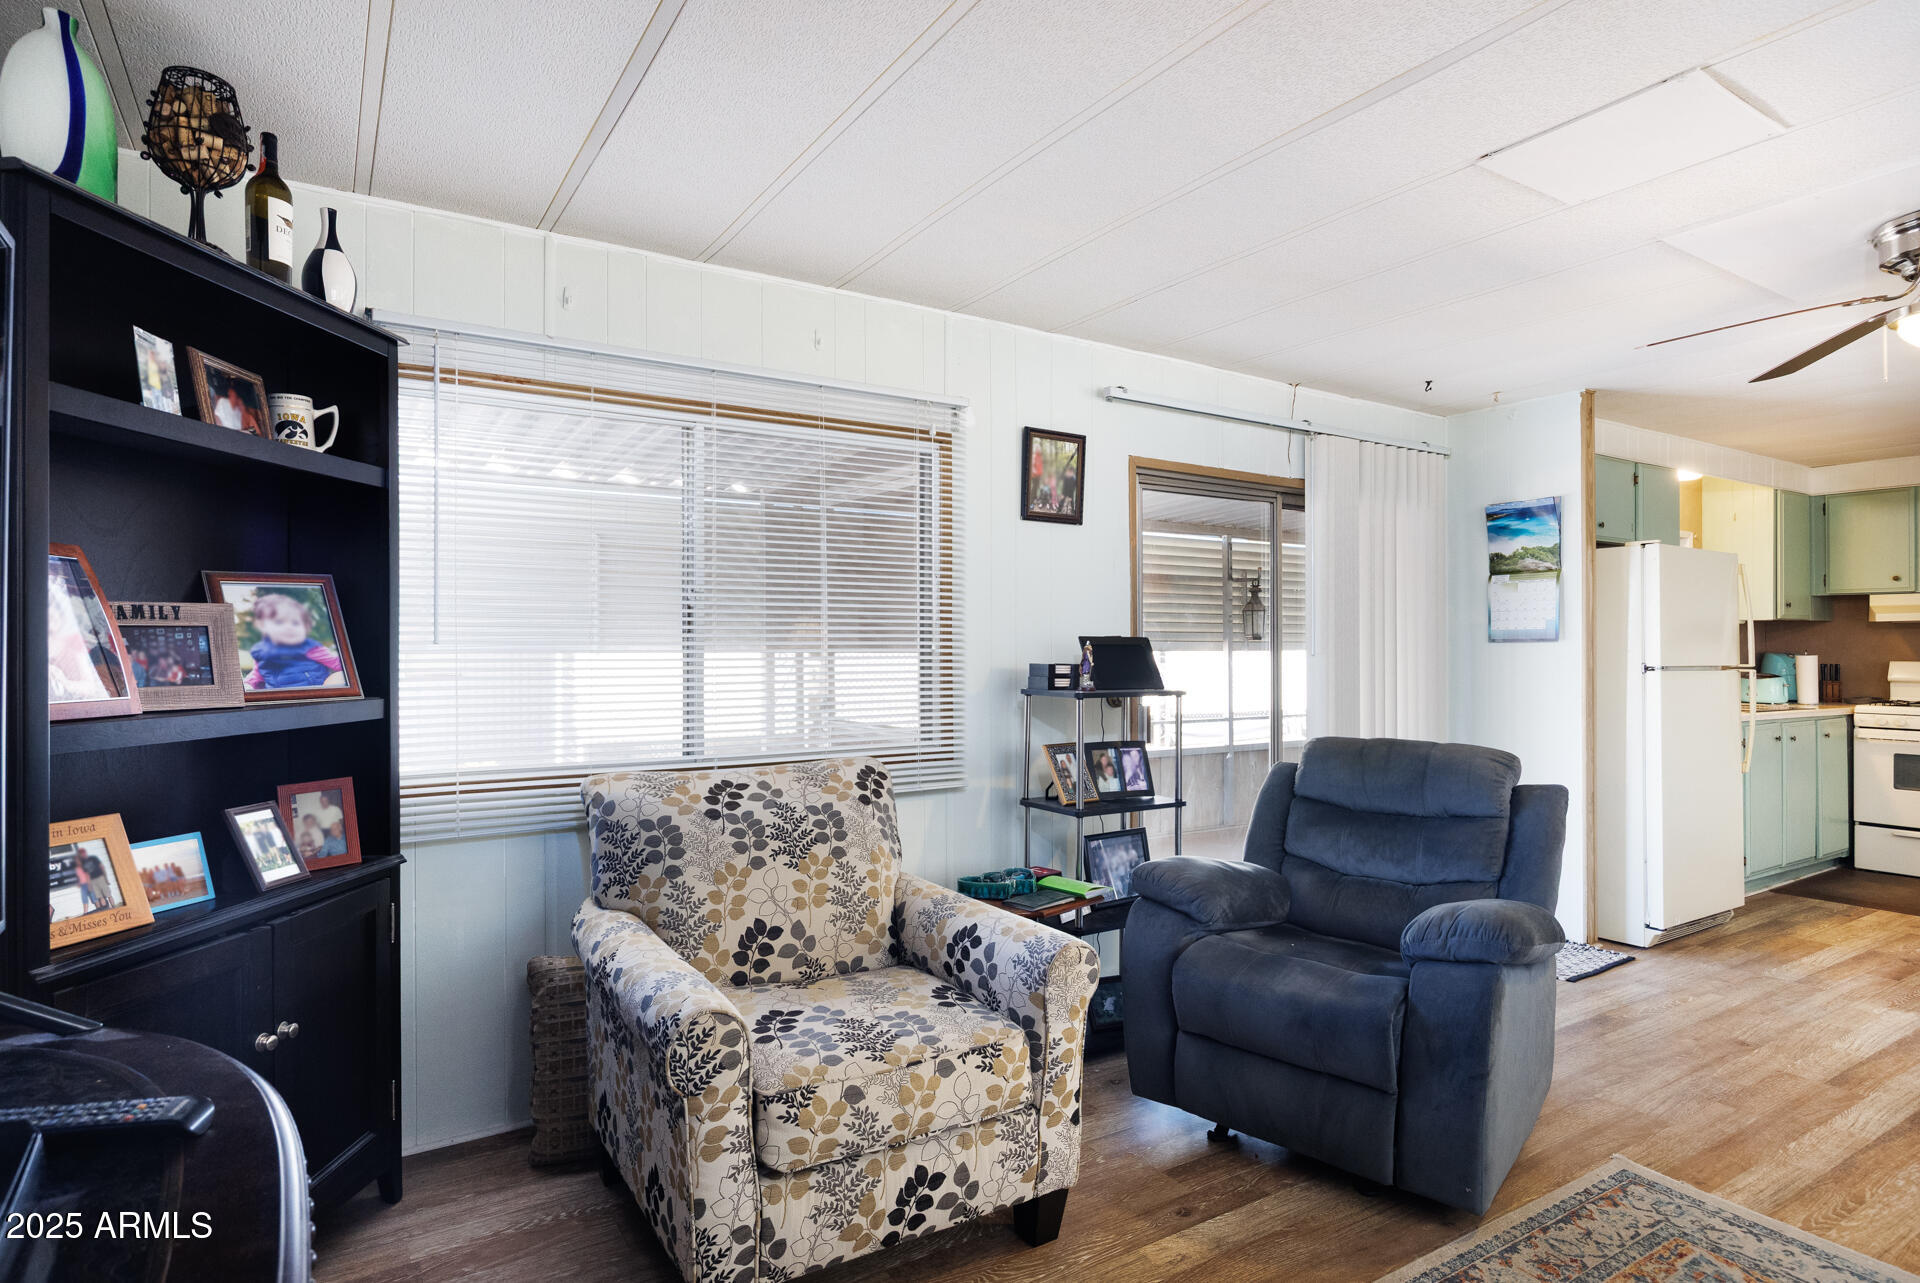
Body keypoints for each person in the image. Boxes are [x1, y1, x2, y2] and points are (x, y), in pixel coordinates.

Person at [244, 593, 344, 690]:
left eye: (295, 623)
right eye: (279, 622)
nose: (289, 627)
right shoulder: (262, 652)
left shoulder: (310, 648)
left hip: (312, 694)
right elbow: (257, 674)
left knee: (339, 677)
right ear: (263, 626)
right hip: (280, 697)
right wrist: (248, 684)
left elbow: (337, 663)